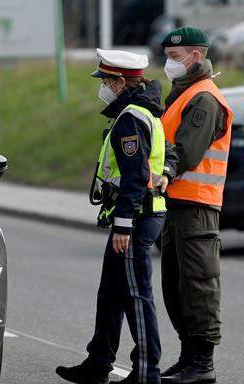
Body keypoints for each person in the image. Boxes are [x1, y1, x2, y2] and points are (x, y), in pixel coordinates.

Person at [56, 49, 176, 384]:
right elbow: (169, 151)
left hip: (137, 218)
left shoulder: (131, 117)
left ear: (121, 82)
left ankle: (146, 372)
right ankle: (98, 362)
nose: (104, 86)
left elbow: (136, 177)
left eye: (107, 81)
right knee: (111, 291)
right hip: (136, 215)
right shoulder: (146, 110)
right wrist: (166, 170)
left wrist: (123, 225)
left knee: (136, 294)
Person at [159, 27, 233, 384]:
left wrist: (160, 168)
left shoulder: (204, 98)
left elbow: (187, 152)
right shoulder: (183, 94)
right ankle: (189, 357)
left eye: (174, 57)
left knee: (198, 285)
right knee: (176, 287)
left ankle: (202, 363)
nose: (168, 64)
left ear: (196, 57)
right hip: (176, 204)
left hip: (197, 206)